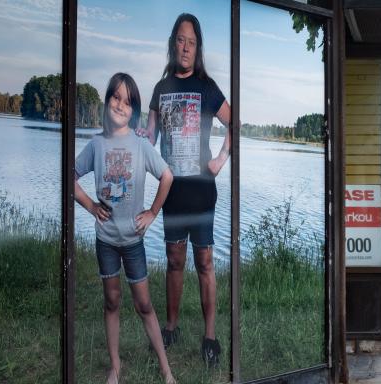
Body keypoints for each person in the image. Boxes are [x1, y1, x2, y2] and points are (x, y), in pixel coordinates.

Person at [138, 13, 231, 367]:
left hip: (202, 192)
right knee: (175, 261)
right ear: (173, 44)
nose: (185, 47)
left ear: (198, 47)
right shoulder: (161, 90)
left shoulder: (207, 87)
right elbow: (149, 139)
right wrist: (133, 142)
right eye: (180, 40)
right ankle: (171, 327)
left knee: (205, 262)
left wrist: (221, 158)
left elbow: (232, 121)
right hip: (173, 193)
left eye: (191, 42)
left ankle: (210, 337)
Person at [75, 73, 176, 384]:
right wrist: (91, 206)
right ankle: (115, 367)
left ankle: (165, 369)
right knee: (112, 301)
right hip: (106, 240)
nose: (120, 104)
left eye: (127, 101)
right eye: (115, 98)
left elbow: (167, 176)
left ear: (134, 110)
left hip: (133, 240)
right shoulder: (96, 144)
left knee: (144, 304)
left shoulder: (141, 145)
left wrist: (152, 212)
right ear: (107, 102)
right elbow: (70, 177)